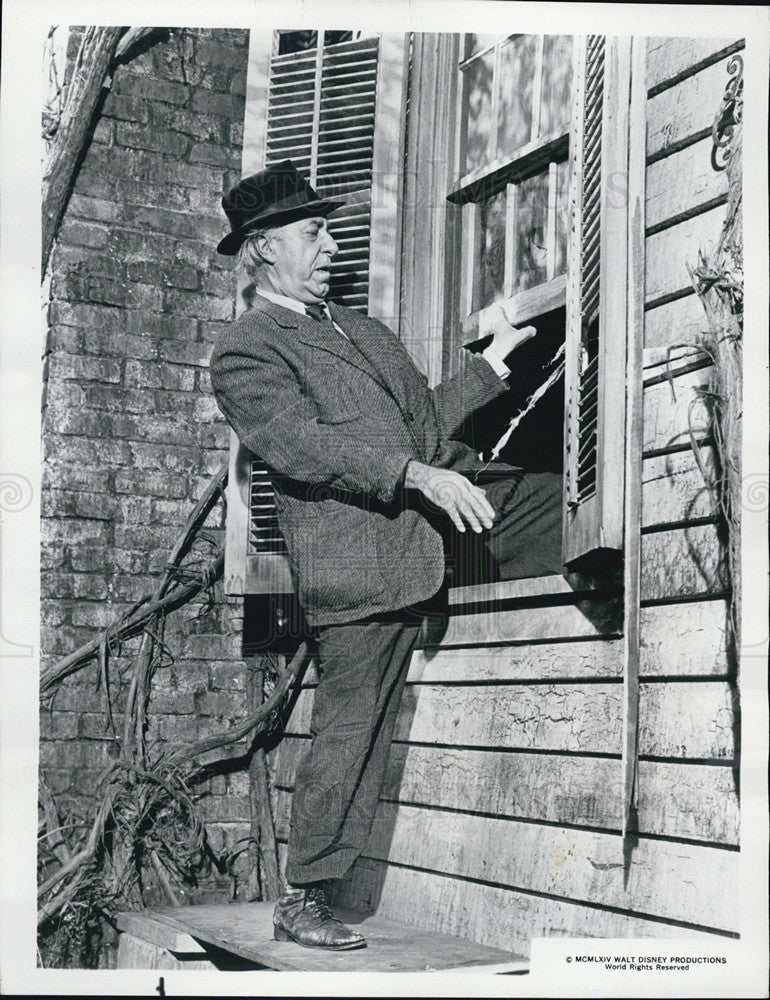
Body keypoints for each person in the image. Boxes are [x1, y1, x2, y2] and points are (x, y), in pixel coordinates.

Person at [210, 160, 563, 950]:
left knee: (564, 506)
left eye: (328, 229)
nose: (332, 245)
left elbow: (428, 431)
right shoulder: (246, 352)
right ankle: (305, 897)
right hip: (361, 562)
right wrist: (415, 474)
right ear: (264, 249)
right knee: (352, 731)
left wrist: (493, 364)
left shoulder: (362, 330)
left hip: (437, 515)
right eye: (315, 232)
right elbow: (303, 447)